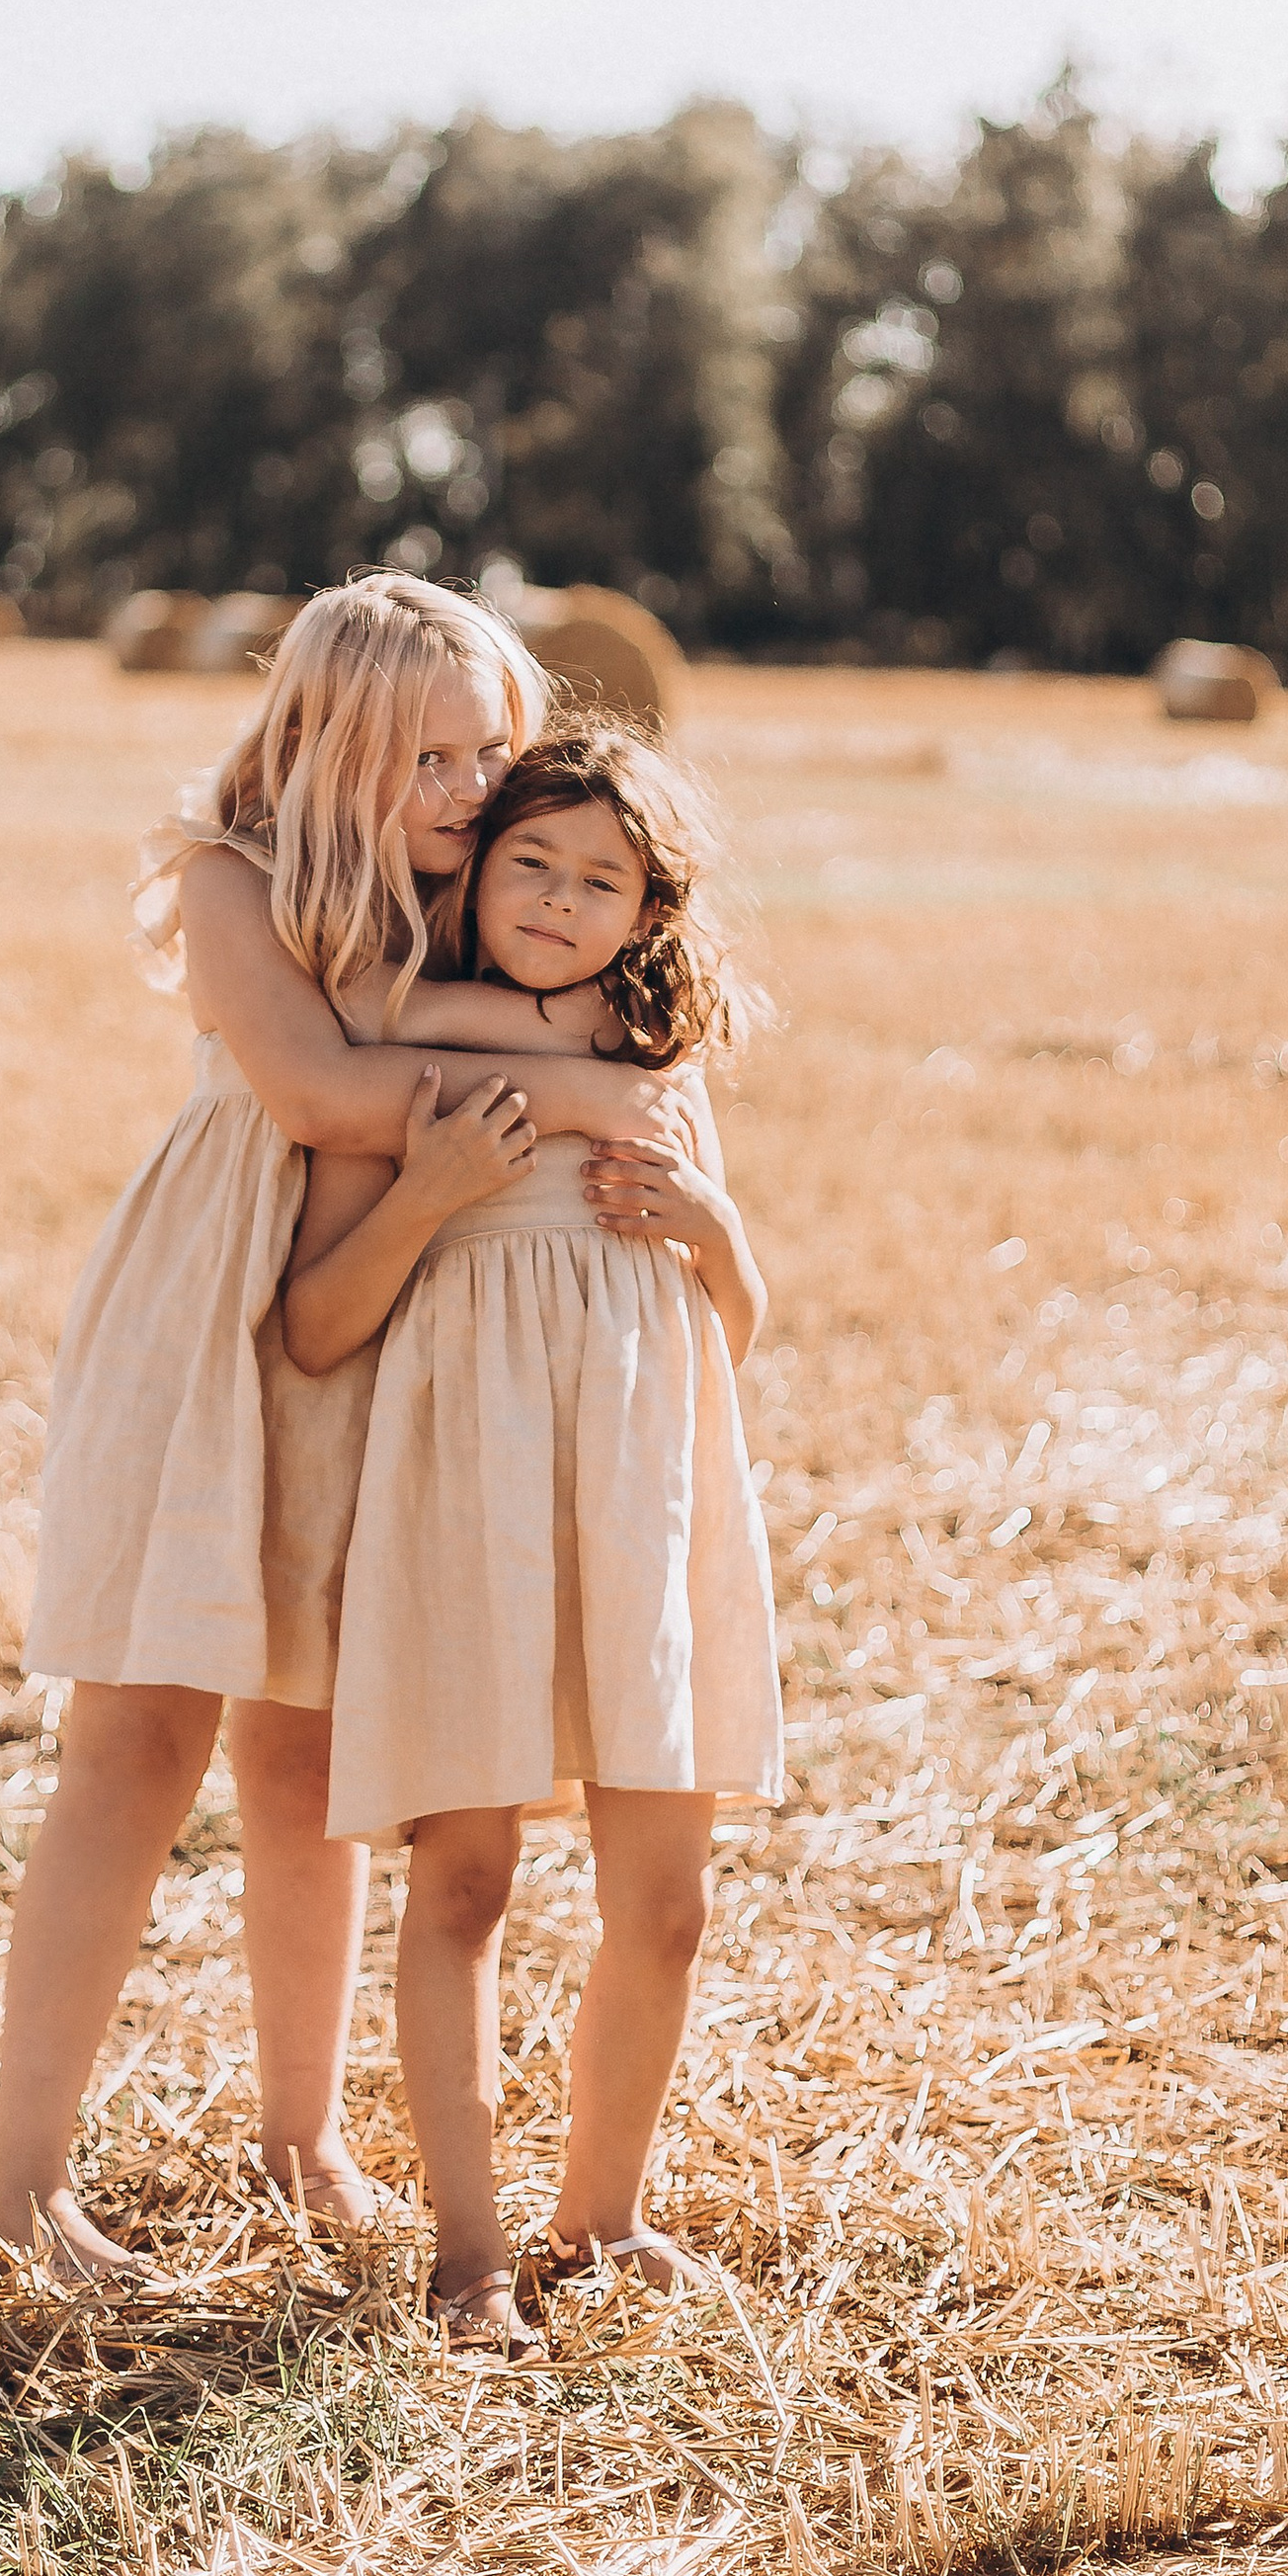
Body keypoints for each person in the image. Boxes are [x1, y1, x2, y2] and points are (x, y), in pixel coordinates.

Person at [0, 580, 697, 2285]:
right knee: (137, 1739)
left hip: (393, 1319)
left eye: (490, 750)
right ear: (322, 745)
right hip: (218, 1307)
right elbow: (314, 1094)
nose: (470, 788)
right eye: (425, 757)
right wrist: (593, 1089)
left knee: (307, 1754)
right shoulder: (231, 878)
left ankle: (300, 2138)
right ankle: (23, 2182)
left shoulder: (483, 890)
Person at [282, 721, 782, 2356]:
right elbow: (315, 1324)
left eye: (601, 882)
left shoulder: (665, 1075)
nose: (560, 903)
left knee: (668, 1902)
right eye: (531, 865)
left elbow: (730, 1331)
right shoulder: (401, 1051)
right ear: (477, 872)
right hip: (469, 1506)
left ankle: (605, 2216)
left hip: (641, 1502)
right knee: (467, 1878)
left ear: (650, 911)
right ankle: (470, 2254)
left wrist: (716, 1230)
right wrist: (429, 1188)